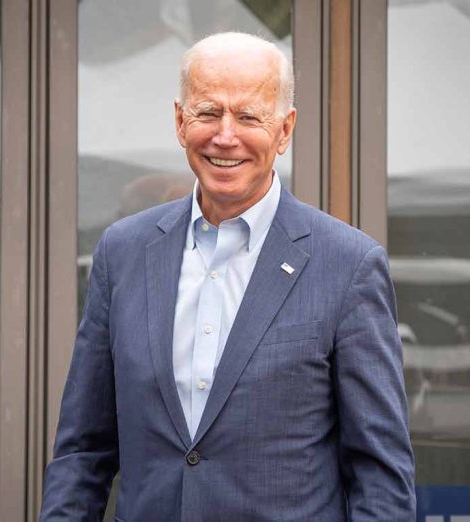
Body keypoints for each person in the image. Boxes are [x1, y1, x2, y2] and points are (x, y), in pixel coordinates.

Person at [40, 32, 415, 521]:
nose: (225, 135)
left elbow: (380, 476)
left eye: (248, 116)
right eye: (208, 112)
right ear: (180, 121)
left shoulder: (347, 266)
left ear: (285, 130)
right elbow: (82, 453)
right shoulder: (123, 253)